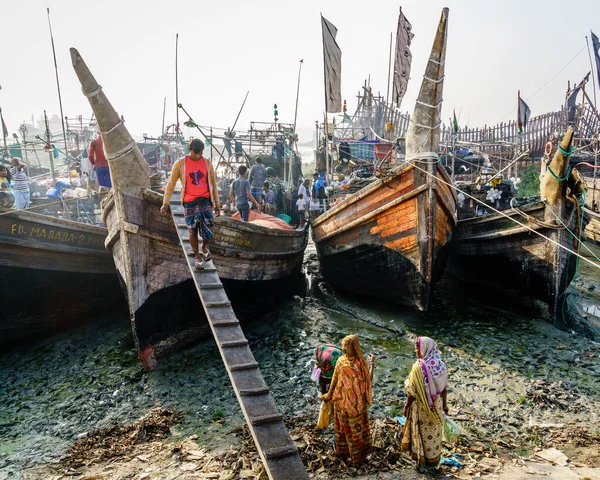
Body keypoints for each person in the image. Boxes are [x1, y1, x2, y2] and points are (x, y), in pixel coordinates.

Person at [160, 138, 220, 270]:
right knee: (192, 229)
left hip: (205, 199)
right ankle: (197, 256)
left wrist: (217, 203)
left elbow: (213, 185)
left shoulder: (208, 164)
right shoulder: (180, 164)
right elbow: (171, 184)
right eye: (196, 153)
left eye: (201, 153)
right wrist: (165, 203)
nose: (198, 155)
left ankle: (204, 247)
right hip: (189, 201)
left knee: (208, 226)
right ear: (190, 150)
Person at [321, 334, 375, 464]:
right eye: (343, 345)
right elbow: (334, 380)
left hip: (355, 406)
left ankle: (358, 458)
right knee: (345, 431)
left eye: (347, 346)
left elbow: (368, 380)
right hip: (343, 403)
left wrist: (372, 364)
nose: (344, 348)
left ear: (354, 347)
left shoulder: (360, 362)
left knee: (353, 432)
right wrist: (328, 395)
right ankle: (344, 455)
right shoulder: (342, 361)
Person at [402, 336, 449, 474]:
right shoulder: (441, 365)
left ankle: (421, 464)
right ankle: (433, 464)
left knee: (421, 435)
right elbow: (444, 388)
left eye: (417, 347)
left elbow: (412, 392)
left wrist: (406, 406)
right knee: (434, 435)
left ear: (424, 349)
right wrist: (445, 405)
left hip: (422, 407)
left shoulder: (418, 368)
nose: (416, 350)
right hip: (437, 405)